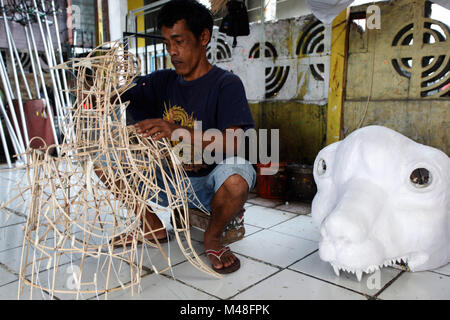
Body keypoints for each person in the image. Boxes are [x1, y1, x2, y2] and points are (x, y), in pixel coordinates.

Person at [119, 0, 256, 274]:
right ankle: (151, 226)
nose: (172, 51)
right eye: (167, 43)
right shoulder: (161, 81)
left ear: (203, 37)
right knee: (103, 156)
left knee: (238, 179)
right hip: (169, 179)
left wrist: (175, 130)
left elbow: (233, 142)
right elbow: (122, 92)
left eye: (179, 41)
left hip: (208, 184)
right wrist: (100, 86)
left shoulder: (226, 84)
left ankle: (212, 237)